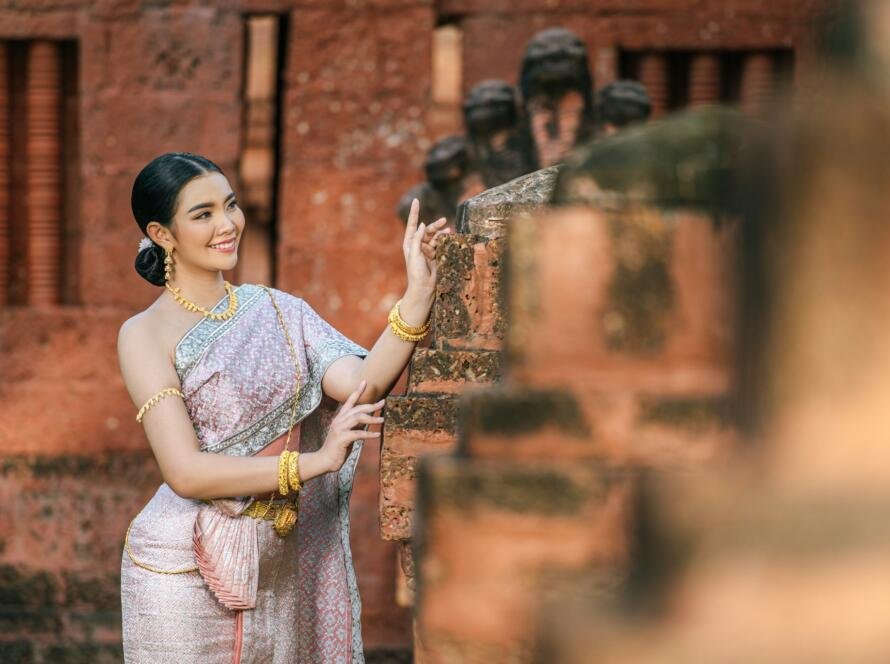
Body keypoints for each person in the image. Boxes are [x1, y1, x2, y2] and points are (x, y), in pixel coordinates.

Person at [118, 151, 450, 662]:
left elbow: (363, 383)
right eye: (202, 214)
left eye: (229, 206)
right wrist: (317, 461)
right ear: (162, 234)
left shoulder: (279, 310)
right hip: (182, 568)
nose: (227, 224)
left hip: (280, 562)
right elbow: (184, 472)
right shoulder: (144, 334)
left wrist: (419, 291)